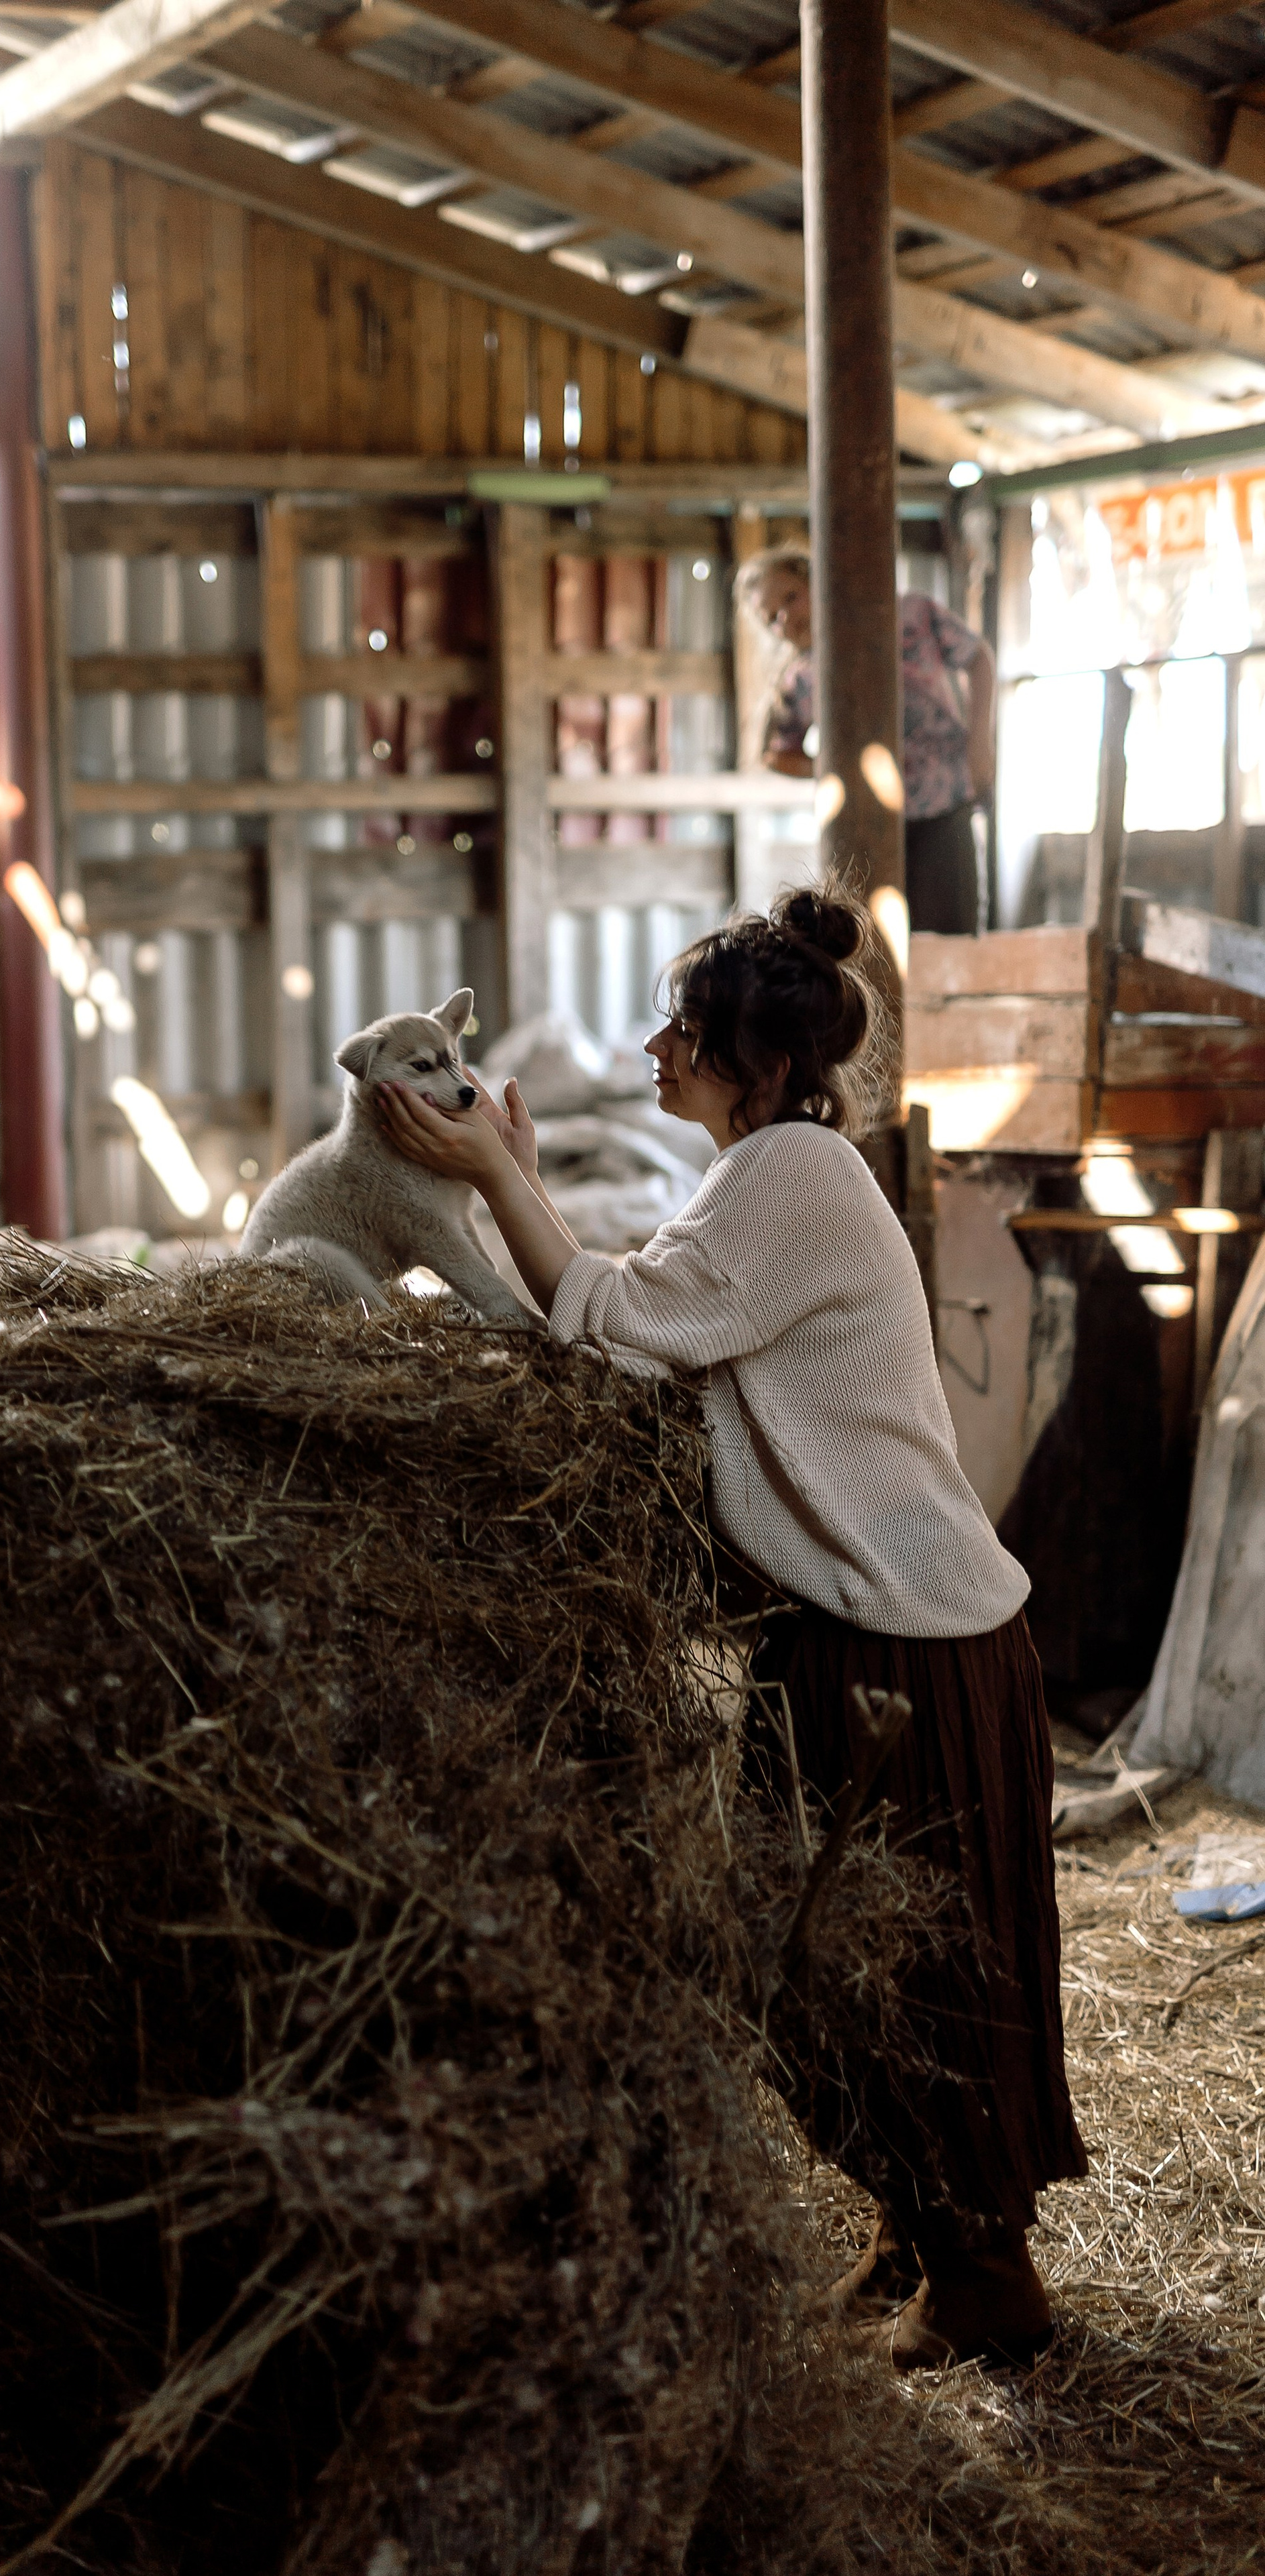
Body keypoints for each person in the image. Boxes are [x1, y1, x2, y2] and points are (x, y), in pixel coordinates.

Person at [375, 885, 1087, 2371]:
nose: (646, 1048)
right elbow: (630, 1308)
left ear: (740, 1061)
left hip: (908, 1639)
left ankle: (984, 2284)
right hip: (862, 1622)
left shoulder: (792, 1175)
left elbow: (622, 1316)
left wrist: (495, 1168)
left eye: (674, 1031)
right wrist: (505, 1173)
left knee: (908, 1960)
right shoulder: (769, 1171)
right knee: (819, 1954)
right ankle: (916, 2227)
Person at [736, 543, 995, 937]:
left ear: (815, 579)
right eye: (772, 618)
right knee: (872, 945)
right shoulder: (802, 677)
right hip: (866, 823)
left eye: (791, 597)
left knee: (951, 937)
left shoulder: (912, 615)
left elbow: (979, 659)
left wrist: (980, 744)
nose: (787, 617)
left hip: (944, 803)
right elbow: (774, 754)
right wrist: (836, 771)